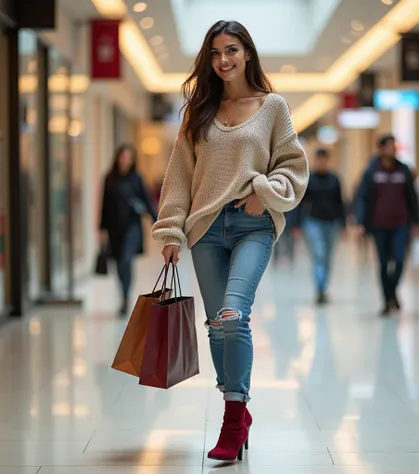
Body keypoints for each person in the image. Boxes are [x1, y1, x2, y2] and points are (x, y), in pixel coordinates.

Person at [151, 20, 308, 462]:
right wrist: (170, 231)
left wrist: (265, 192)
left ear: (247, 54)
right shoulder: (198, 112)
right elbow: (179, 179)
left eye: (232, 50)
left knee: (233, 314)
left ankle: (233, 416)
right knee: (217, 325)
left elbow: (293, 165)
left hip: (251, 227)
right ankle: (235, 405)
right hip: (204, 230)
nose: (224, 60)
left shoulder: (272, 106)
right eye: (216, 52)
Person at [355, 134, 419, 316]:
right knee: (384, 262)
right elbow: (362, 198)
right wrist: (360, 222)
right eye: (390, 146)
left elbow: (412, 196)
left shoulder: (404, 170)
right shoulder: (371, 171)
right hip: (379, 224)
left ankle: (392, 291)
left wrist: (417, 221)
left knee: (399, 260)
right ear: (381, 149)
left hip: (401, 223)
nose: (393, 149)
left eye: (394, 146)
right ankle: (386, 299)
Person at [99, 144, 157, 316]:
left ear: (132, 160)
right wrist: (101, 227)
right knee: (119, 262)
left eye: (128, 157)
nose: (125, 160)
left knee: (126, 258)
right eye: (122, 157)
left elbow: (147, 200)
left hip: (132, 226)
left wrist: (157, 220)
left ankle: (125, 297)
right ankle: (123, 293)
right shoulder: (109, 178)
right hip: (114, 227)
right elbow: (105, 204)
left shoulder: (137, 178)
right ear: (117, 158)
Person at [297, 148, 345, 304]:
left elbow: (340, 202)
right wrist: (296, 224)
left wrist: (343, 223)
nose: (321, 162)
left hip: (331, 223)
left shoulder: (334, 179)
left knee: (327, 258)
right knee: (319, 255)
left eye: (324, 159)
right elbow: (300, 203)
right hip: (313, 223)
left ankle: (323, 287)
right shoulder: (308, 179)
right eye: (319, 159)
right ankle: (319, 289)